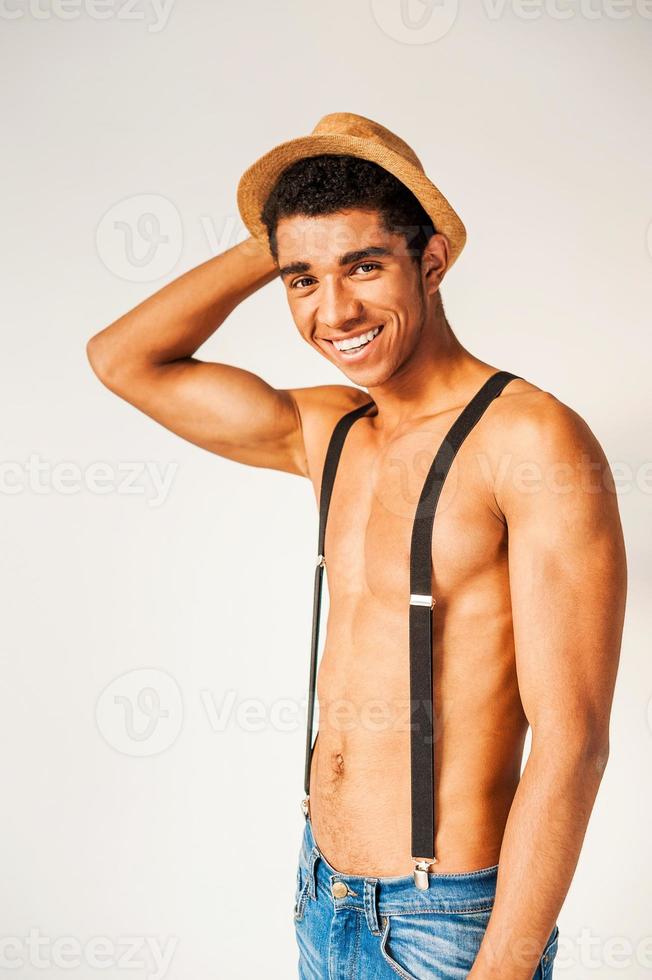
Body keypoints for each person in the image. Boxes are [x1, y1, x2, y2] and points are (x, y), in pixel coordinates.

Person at [86, 113, 627, 979]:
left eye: (365, 266)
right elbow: (123, 360)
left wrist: (501, 970)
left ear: (433, 260)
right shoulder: (328, 429)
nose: (333, 311)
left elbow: (574, 741)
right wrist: (282, 237)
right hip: (320, 894)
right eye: (303, 280)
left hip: (444, 925)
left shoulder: (529, 441)